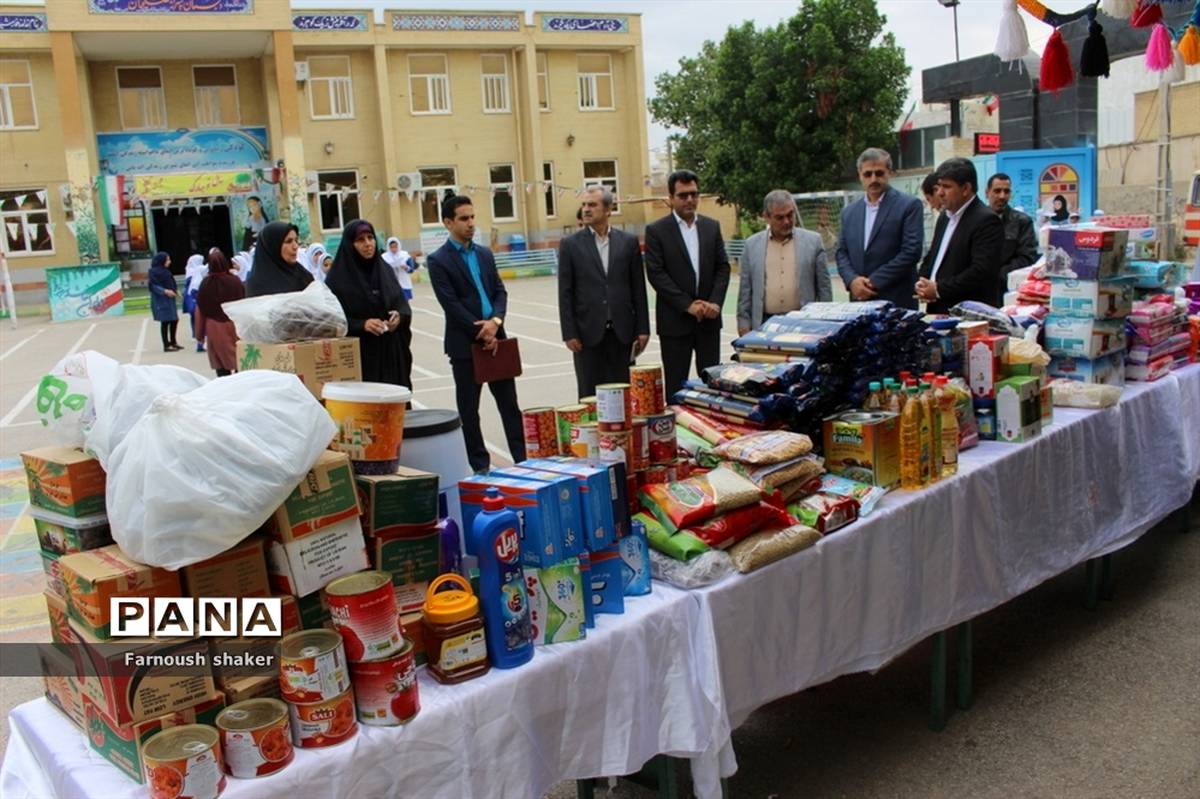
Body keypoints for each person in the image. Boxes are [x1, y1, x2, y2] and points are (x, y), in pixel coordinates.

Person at [427, 195, 526, 473]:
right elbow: (451, 304)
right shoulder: (438, 261)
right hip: (465, 346)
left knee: (509, 405)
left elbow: (499, 291)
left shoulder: (484, 254)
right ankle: (480, 467)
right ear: (448, 223)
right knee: (469, 411)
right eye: (463, 218)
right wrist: (481, 330)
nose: (471, 223)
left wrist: (495, 322)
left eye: (472, 217)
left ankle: (523, 461)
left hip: (497, 340)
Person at [558, 186, 650, 398]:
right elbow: (565, 292)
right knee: (590, 396)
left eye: (592, 205)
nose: (586, 210)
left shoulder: (628, 242)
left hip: (623, 334)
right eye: (584, 205)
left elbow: (638, 288)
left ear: (609, 209)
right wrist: (569, 332)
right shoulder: (570, 245)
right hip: (587, 335)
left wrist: (642, 328)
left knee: (624, 395)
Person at [644, 169, 731, 395]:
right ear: (671, 198)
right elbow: (656, 273)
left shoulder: (711, 227)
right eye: (683, 195)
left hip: (709, 322)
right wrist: (687, 305)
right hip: (675, 322)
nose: (690, 200)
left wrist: (715, 302)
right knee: (676, 387)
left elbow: (723, 267)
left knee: (712, 385)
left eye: (694, 194)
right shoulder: (656, 231)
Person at [835, 148, 925, 310]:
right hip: (859, 302)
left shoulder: (909, 206)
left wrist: (873, 282)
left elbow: (911, 251)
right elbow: (842, 252)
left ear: (889, 173)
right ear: (860, 175)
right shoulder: (849, 212)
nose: (873, 179)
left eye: (879, 173)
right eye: (868, 174)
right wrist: (852, 281)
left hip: (896, 301)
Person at [325, 219, 412, 387]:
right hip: (360, 359)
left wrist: (399, 317)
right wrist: (362, 324)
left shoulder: (384, 270)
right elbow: (331, 322)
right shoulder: (337, 279)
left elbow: (401, 304)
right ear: (350, 244)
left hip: (390, 355)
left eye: (370, 237)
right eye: (360, 240)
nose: (368, 244)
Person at [916, 158, 1004, 314]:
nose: (940, 193)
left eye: (947, 187)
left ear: (966, 189)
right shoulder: (945, 217)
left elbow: (980, 272)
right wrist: (922, 281)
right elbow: (933, 256)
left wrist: (938, 289)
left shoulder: (986, 220)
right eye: (939, 187)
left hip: (969, 315)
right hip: (938, 310)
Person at [738, 190, 832, 334]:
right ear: (766, 217)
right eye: (780, 217)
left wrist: (825, 323)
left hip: (804, 323)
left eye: (790, 215)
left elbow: (824, 289)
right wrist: (743, 322)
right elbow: (745, 291)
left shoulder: (814, 242)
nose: (787, 221)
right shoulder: (751, 246)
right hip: (764, 324)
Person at [986, 173, 1038, 303]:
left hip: (1008, 293)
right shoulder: (976, 220)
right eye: (997, 191)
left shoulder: (1022, 222)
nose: (1002, 196)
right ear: (987, 193)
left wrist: (997, 276)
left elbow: (1027, 258)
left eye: (1006, 191)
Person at [196, 250, 245, 377]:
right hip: (234, 325)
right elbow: (243, 304)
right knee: (239, 359)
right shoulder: (235, 281)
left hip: (214, 327)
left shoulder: (205, 284)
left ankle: (225, 389)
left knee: (221, 364)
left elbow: (200, 310)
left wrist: (199, 334)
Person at [244, 222, 311, 297]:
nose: (295, 246)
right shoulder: (257, 284)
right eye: (289, 241)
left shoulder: (304, 276)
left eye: (296, 240)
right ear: (273, 246)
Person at [148, 252, 182, 352]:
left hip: (170, 299)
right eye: (167, 260)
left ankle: (173, 342)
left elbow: (171, 282)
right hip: (161, 299)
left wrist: (176, 290)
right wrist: (165, 291)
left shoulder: (165, 271)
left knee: (174, 320)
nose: (169, 262)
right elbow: (153, 286)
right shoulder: (153, 272)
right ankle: (166, 345)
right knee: (165, 321)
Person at [182, 253, 208, 352]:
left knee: (196, 319)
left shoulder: (194, 271)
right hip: (196, 299)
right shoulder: (197, 272)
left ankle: (198, 338)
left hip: (193, 299)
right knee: (200, 320)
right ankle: (200, 342)